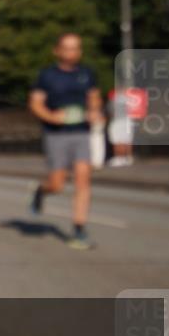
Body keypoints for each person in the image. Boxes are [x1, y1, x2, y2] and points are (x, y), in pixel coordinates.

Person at [28, 33, 101, 249]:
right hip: (56, 134)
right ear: (57, 50)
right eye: (67, 48)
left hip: (81, 132)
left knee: (83, 179)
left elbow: (94, 98)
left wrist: (94, 112)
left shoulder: (87, 74)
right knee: (57, 184)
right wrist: (52, 117)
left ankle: (79, 229)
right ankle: (42, 190)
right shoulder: (47, 76)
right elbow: (35, 104)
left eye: (76, 48)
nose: (72, 52)